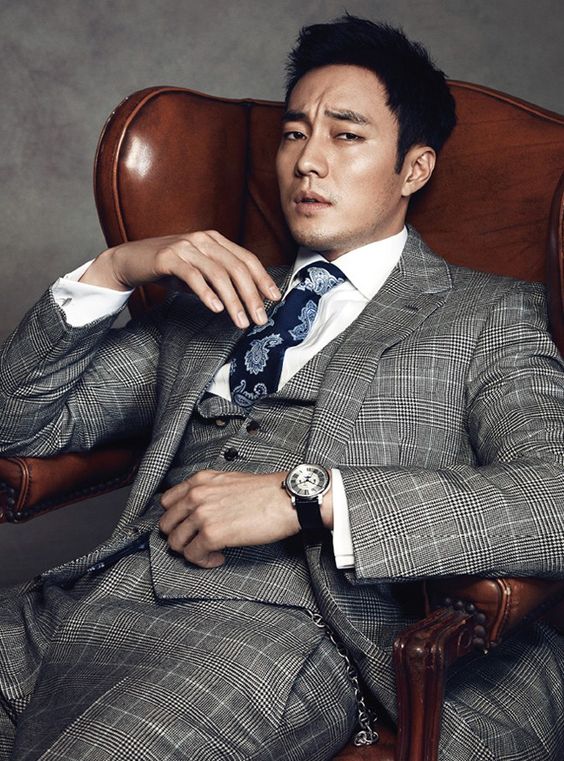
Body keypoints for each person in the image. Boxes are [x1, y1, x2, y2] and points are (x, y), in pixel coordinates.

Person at [0, 14, 563, 761]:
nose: (308, 161)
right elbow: (19, 424)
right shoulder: (210, 298)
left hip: (273, 634)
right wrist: (117, 268)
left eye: (346, 135)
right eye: (294, 133)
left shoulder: (489, 314)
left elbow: (554, 500)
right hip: (79, 600)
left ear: (415, 169)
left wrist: (310, 496)